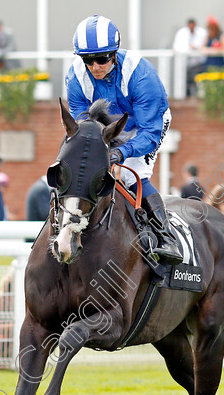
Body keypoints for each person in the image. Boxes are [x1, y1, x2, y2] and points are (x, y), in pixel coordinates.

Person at [65, 14, 182, 265]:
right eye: (88, 60)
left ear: (115, 53)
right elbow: (83, 123)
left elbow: (150, 133)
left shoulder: (142, 75)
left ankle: (165, 235)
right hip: (105, 126)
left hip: (145, 125)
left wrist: (120, 154)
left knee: (131, 174)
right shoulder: (75, 77)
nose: (95, 66)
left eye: (102, 58)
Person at [172, 18, 207, 97]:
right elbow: (176, 48)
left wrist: (195, 47)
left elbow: (203, 47)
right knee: (185, 81)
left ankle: (195, 95)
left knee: (195, 79)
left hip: (198, 62)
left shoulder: (202, 33)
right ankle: (186, 95)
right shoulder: (181, 33)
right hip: (184, 62)